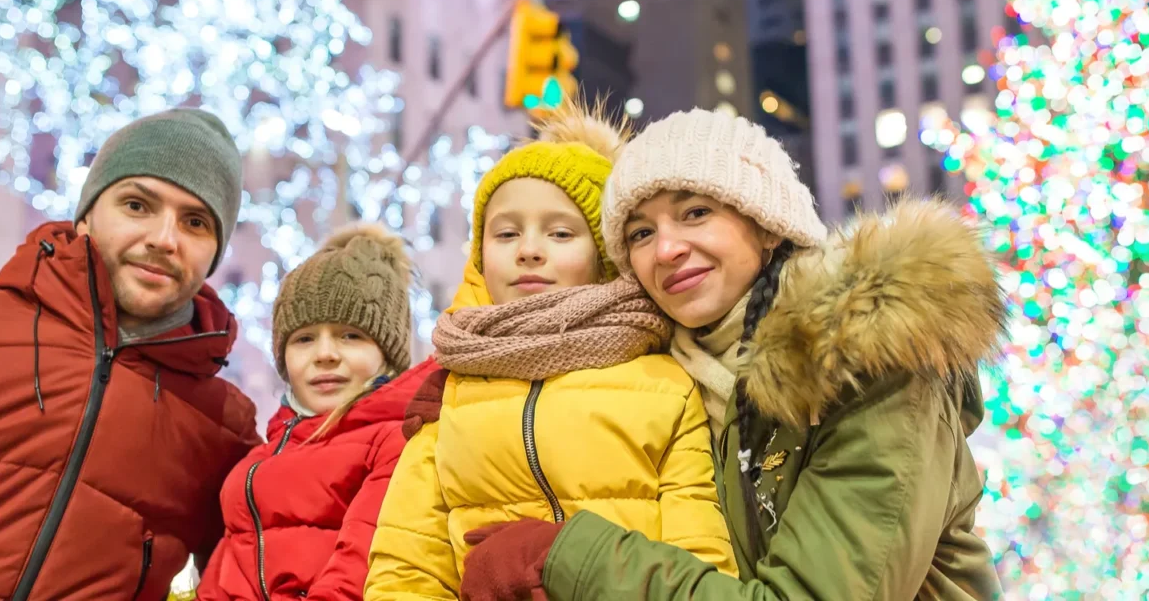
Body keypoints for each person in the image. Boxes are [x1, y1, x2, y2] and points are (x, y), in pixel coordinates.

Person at [459, 108, 1007, 600]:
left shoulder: (869, 360)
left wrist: (566, 556)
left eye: (695, 213)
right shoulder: (669, 374)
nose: (667, 249)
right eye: (641, 232)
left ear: (767, 224)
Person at [364, 101, 737, 599]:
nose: (529, 250)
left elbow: (698, 557)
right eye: (506, 233)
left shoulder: (666, 385)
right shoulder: (451, 394)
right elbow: (406, 564)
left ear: (605, 257)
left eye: (561, 233)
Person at [0, 108, 261, 601]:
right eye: (137, 205)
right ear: (87, 213)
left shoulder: (226, 426)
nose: (163, 239)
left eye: (195, 221)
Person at [196, 224, 436, 601]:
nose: (325, 354)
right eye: (304, 339)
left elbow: (359, 567)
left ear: (387, 353)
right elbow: (223, 577)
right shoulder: (257, 461)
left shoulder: (393, 442)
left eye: (350, 335)